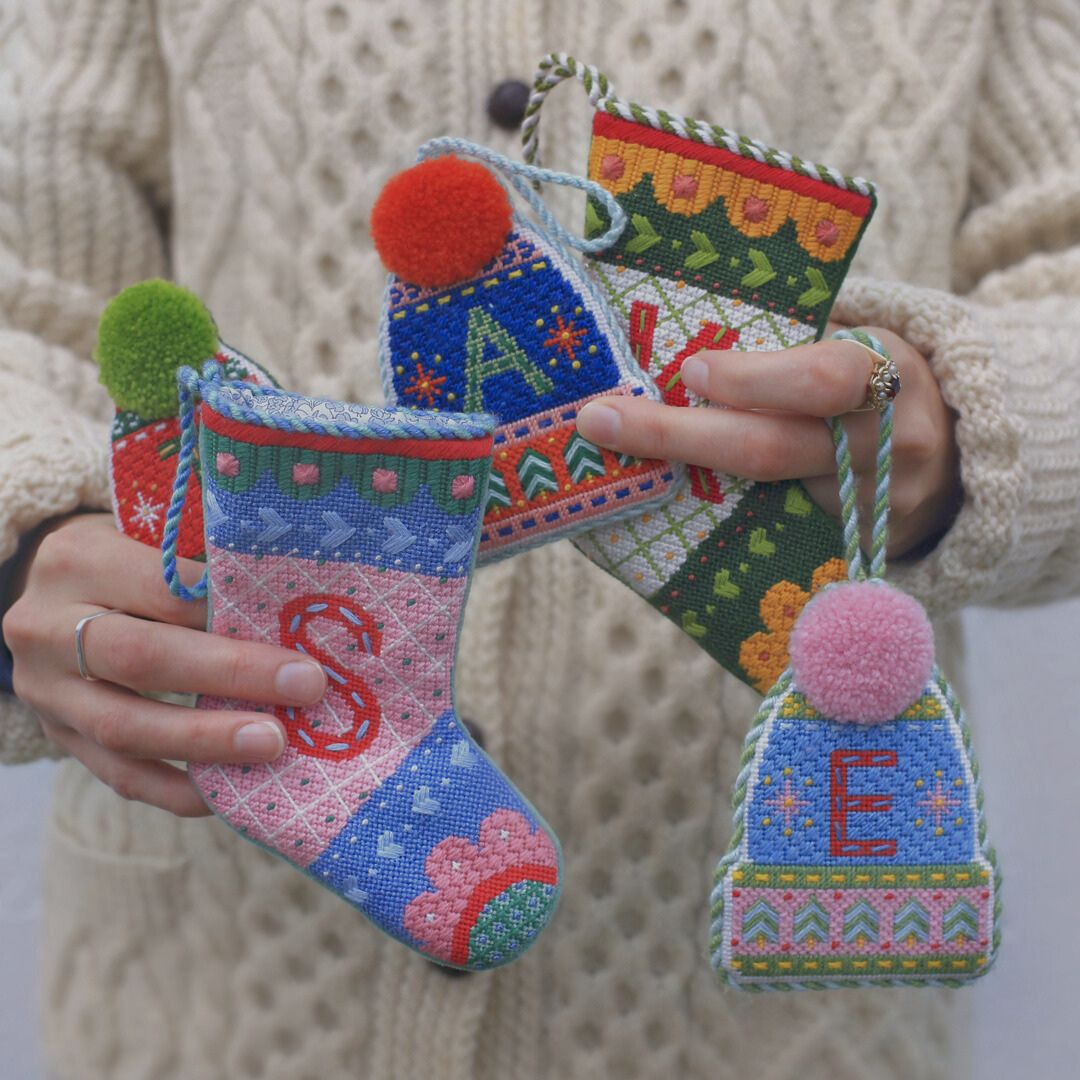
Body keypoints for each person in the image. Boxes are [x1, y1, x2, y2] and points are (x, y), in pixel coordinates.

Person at [1, 1, 1077, 1077]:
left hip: (771, 1036)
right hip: (222, 1005)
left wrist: (974, 429)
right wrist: (29, 535)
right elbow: (23, 286)